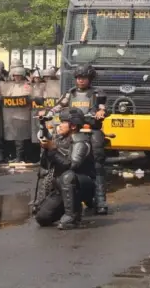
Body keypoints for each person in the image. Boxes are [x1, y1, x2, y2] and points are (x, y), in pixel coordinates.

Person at [49, 64, 110, 214]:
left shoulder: (97, 93)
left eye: (84, 78)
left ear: (90, 79)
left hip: (91, 130)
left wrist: (101, 112)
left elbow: (103, 107)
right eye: (78, 78)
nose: (81, 80)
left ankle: (101, 200)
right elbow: (58, 106)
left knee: (97, 163)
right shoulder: (70, 93)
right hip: (72, 131)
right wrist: (48, 112)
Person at [34, 109, 95, 230]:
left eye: (63, 122)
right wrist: (46, 150)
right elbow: (46, 166)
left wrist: (53, 150)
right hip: (61, 188)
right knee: (42, 218)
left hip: (83, 184)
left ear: (73, 126)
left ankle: (71, 217)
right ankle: (71, 209)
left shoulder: (81, 142)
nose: (59, 125)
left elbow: (72, 166)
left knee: (68, 176)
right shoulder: (60, 139)